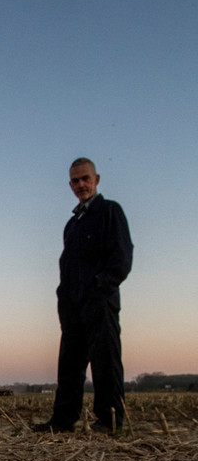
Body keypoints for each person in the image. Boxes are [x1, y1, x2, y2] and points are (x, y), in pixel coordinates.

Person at [33, 158, 133, 434]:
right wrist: (63, 297)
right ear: (70, 185)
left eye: (85, 179)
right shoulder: (72, 224)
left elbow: (122, 257)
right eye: (75, 181)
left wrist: (100, 287)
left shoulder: (110, 211)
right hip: (73, 305)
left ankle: (110, 421)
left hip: (100, 302)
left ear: (96, 179)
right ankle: (63, 420)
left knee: (105, 361)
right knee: (69, 363)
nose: (81, 185)